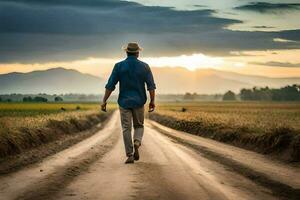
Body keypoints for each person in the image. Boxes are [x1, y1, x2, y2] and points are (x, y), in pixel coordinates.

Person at [101, 42, 156, 164]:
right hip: (139, 101)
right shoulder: (145, 66)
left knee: (126, 128)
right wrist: (152, 101)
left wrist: (104, 100)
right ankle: (137, 141)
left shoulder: (119, 66)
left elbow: (110, 85)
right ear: (138, 53)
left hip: (124, 102)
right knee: (139, 126)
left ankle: (129, 154)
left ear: (126, 52)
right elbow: (151, 86)